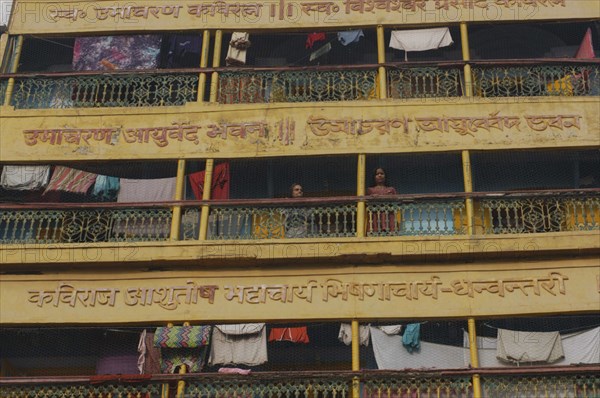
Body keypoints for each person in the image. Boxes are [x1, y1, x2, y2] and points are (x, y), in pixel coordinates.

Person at [367, 168, 398, 233]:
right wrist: (372, 198)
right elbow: (366, 204)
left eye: (382, 173)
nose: (379, 175)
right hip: (375, 215)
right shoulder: (370, 190)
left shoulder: (391, 189)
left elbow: (397, 202)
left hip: (389, 215)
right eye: (377, 174)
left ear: (385, 176)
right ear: (374, 177)